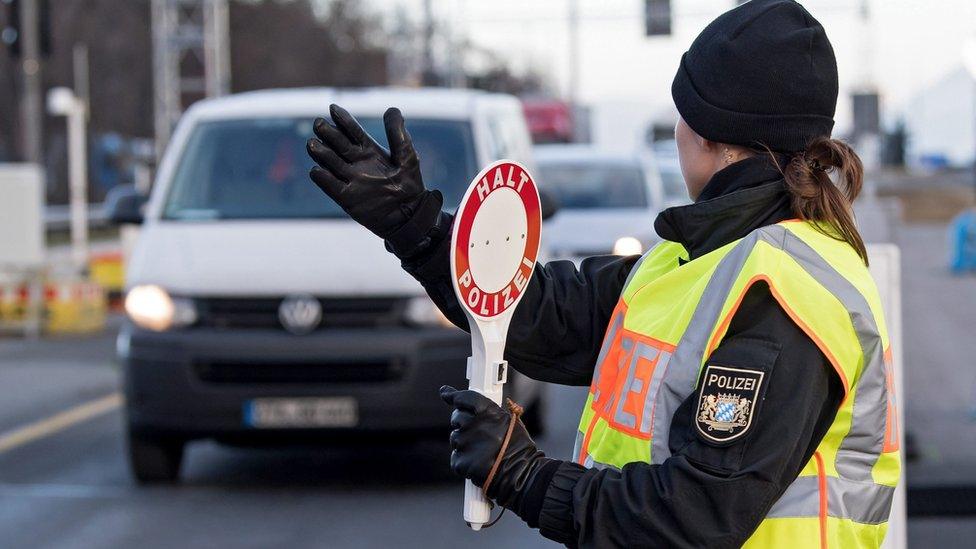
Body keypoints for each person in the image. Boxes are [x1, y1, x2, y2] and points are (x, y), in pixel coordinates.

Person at [305, 1, 899, 546]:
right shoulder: (693, 258)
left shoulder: (783, 297)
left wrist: (524, 476)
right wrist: (416, 224)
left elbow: (692, 515)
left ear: (708, 134)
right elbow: (543, 314)